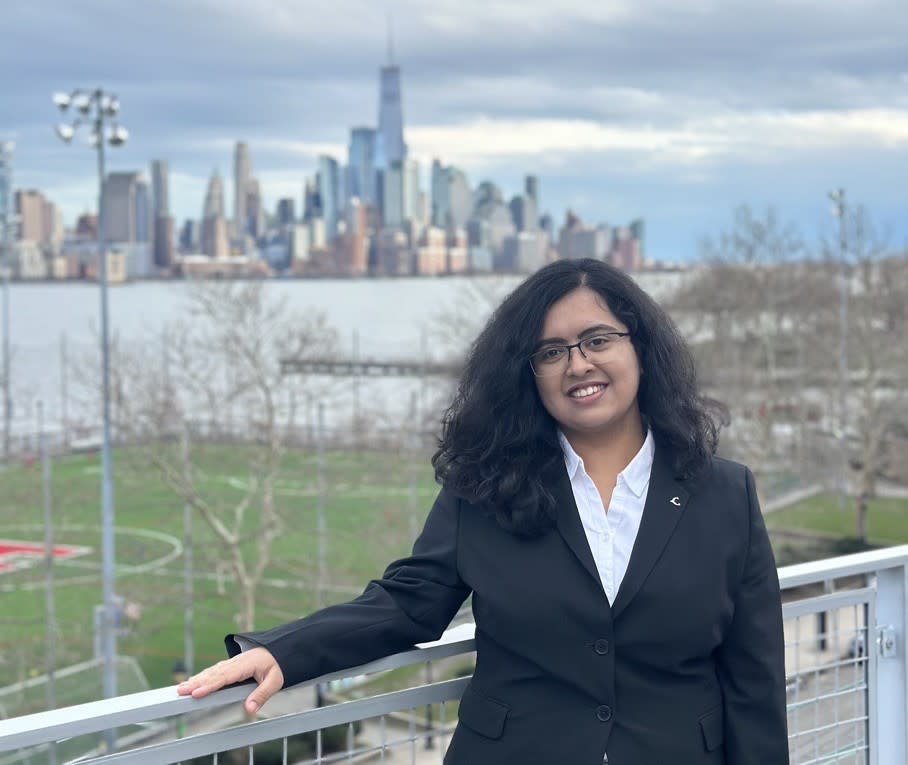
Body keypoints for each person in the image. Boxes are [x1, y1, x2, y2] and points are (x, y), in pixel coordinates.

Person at [178, 258, 789, 764]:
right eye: (550, 352)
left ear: (641, 348)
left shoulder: (724, 494)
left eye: (598, 340)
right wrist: (283, 650)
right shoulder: (491, 489)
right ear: (528, 375)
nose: (578, 364)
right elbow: (405, 601)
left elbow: (753, 680)